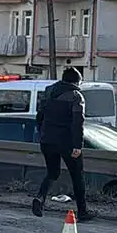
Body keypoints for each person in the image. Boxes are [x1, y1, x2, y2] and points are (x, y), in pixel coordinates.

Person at [32, 67, 93, 221]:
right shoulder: (76, 96)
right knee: (77, 176)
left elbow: (39, 117)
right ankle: (83, 212)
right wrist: (77, 145)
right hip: (67, 142)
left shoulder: (48, 92)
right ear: (77, 82)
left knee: (52, 173)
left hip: (47, 141)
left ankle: (40, 198)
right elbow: (78, 123)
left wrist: (42, 134)